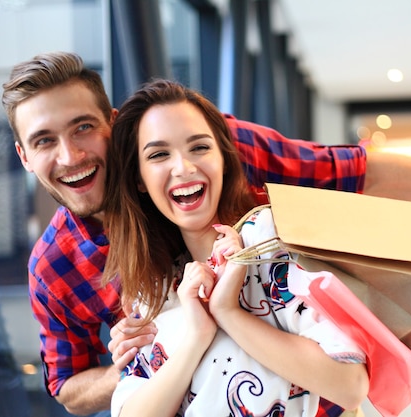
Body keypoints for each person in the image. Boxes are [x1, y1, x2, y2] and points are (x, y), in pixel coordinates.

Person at [1, 51, 411, 416]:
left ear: (112, 128)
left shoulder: (208, 152)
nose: (71, 154)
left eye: (83, 128)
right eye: (45, 140)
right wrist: (139, 357)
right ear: (24, 156)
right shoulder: (62, 267)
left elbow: (355, 171)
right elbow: (70, 388)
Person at [102, 78, 369, 417]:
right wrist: (198, 335)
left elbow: (351, 385)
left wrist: (228, 311)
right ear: (139, 179)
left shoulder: (272, 244)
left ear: (224, 160)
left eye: (199, 147)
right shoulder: (155, 287)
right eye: (158, 154)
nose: (183, 167)